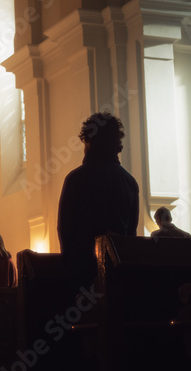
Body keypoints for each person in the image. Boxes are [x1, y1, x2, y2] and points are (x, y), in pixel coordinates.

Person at [57, 112, 139, 290]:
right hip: (119, 273)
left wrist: (68, 268)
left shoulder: (76, 179)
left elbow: (65, 229)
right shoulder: (129, 182)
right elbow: (131, 234)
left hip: (82, 271)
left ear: (89, 142)